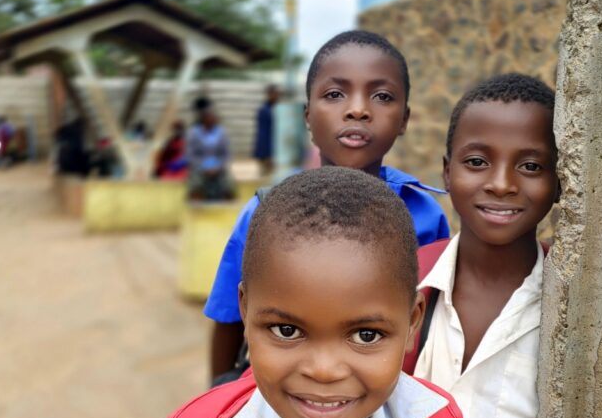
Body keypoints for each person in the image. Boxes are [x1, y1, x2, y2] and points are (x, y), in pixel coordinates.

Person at [122, 167, 493, 418]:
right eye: (287, 331)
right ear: (245, 312)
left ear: (413, 323)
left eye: (366, 335)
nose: (324, 370)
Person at [206, 30, 451, 383]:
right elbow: (230, 316)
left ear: (404, 120)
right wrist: (217, 399)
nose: (357, 109)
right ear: (307, 116)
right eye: (335, 94)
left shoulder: (425, 216)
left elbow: (428, 324)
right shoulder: (266, 212)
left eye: (382, 96)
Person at [411, 74, 559, 418]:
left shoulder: (570, 298)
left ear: (561, 180)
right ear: (446, 170)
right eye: (477, 162)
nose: (501, 183)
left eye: (530, 166)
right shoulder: (408, 277)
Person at [187, 107, 234, 201]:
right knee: (195, 184)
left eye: (213, 118)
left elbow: (226, 154)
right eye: (208, 118)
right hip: (200, 167)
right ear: (203, 120)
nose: (211, 121)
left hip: (218, 168)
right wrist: (204, 167)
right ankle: (196, 210)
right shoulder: (194, 133)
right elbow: (190, 155)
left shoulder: (221, 133)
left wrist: (218, 167)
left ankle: (228, 209)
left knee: (229, 183)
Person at [253, 84, 279, 175]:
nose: (276, 96)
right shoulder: (264, 110)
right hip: (267, 150)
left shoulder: (280, 108)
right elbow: (263, 134)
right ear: (269, 94)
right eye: (274, 93)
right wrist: (266, 154)